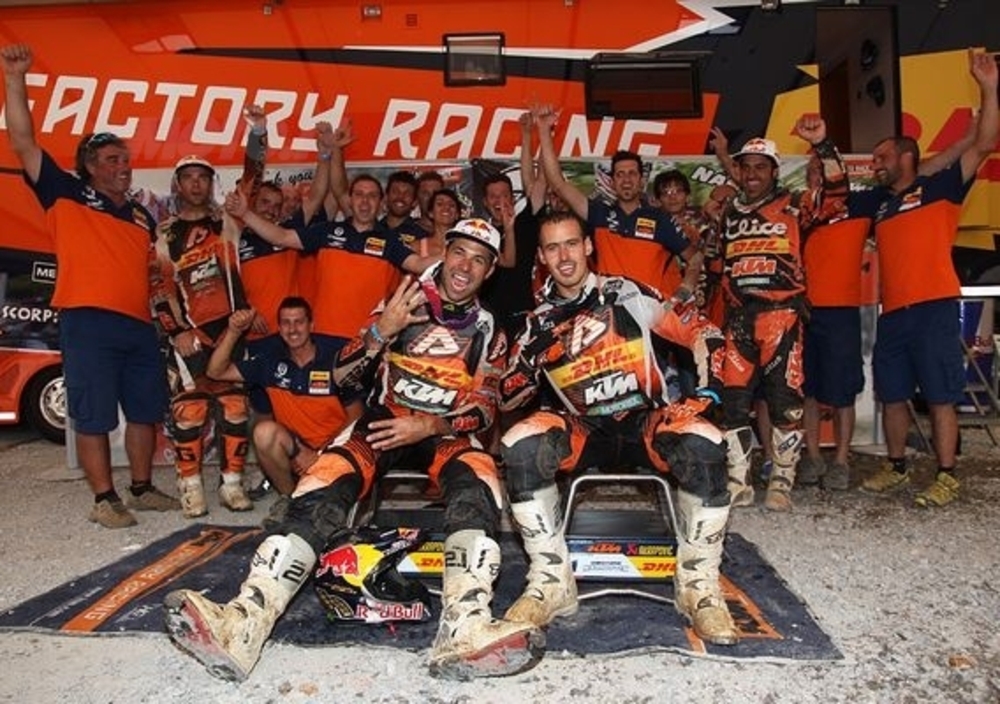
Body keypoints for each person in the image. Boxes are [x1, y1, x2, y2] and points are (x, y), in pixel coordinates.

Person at [164, 218, 543, 682]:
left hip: (444, 430)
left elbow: (484, 409)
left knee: (481, 481)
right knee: (323, 479)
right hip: (384, 420)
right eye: (460, 252)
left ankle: (465, 630)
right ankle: (243, 622)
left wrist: (429, 424)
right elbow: (341, 376)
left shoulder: (491, 330)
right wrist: (380, 332)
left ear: (489, 271)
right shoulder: (402, 302)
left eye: (479, 259)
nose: (466, 266)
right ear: (444, 253)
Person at [499, 210, 738, 651]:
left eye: (572, 244)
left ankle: (698, 586)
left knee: (704, 439)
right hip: (584, 429)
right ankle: (551, 583)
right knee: (519, 444)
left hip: (645, 421)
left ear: (588, 246)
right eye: (553, 248)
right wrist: (531, 362)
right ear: (542, 258)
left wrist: (708, 390)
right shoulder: (537, 322)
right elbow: (507, 399)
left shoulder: (628, 293)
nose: (564, 256)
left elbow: (701, 330)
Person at [1, 43, 178, 528]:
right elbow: (22, 140)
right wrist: (15, 78)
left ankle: (141, 488)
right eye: (112, 159)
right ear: (90, 166)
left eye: (126, 159)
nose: (124, 166)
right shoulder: (64, 192)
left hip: (138, 326)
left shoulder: (141, 214)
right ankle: (104, 499)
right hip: (87, 321)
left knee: (145, 411)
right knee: (93, 414)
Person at [851, 49, 998, 507]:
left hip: (934, 307)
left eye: (882, 156)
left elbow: (983, 144)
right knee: (892, 395)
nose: (875, 163)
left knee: (940, 396)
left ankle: (947, 474)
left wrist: (989, 88)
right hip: (894, 313)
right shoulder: (880, 203)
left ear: (906, 157)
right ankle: (896, 467)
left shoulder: (940, 190)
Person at [718, 117, 848, 512]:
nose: (752, 174)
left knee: (785, 403)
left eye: (761, 166)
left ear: (774, 171)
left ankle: (781, 481)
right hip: (739, 318)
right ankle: (738, 481)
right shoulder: (729, 211)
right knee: (733, 403)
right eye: (746, 166)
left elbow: (837, 193)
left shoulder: (794, 204)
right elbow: (715, 262)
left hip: (781, 316)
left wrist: (822, 144)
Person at [150, 156, 254, 517]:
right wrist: (176, 330)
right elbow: (158, 288)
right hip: (189, 334)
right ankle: (191, 488)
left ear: (212, 184)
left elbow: (252, 177)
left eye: (203, 177)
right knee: (189, 412)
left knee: (235, 409)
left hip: (232, 329)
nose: (196, 184)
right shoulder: (165, 233)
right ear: (177, 185)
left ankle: (232, 485)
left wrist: (258, 133)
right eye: (188, 177)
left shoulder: (227, 221)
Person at [206, 297, 363, 526]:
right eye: (286, 323)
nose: (293, 329)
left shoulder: (336, 361)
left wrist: (324, 454)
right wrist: (233, 332)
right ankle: (291, 500)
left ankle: (319, 494)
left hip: (338, 451)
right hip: (296, 452)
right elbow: (215, 372)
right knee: (263, 432)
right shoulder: (270, 363)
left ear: (311, 325)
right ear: (279, 329)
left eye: (299, 322)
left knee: (332, 516)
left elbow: (356, 417)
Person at [532, 104, 703, 302]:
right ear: (612, 182)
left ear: (641, 181)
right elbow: (558, 183)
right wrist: (544, 130)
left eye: (632, 174)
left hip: (649, 313)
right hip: (609, 312)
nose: (626, 180)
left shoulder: (661, 219)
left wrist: (683, 293)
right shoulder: (599, 213)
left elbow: (695, 258)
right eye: (620, 174)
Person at [417, 188, 462, 258]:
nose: (446, 207)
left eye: (451, 205)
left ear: (457, 215)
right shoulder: (417, 246)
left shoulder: (465, 246)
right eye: (440, 204)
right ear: (431, 213)